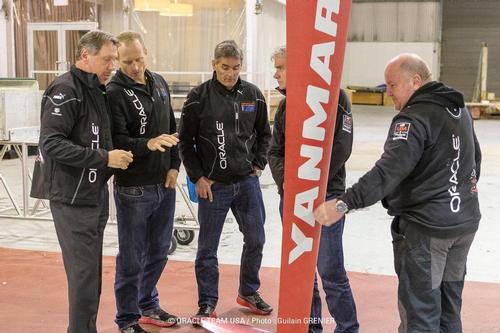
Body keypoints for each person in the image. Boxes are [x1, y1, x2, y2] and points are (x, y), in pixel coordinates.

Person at [314, 53, 482, 333]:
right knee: (449, 310)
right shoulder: (458, 109)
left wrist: (342, 204)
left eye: (392, 85)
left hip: (428, 231)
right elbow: (474, 160)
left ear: (415, 81)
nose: (387, 92)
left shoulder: (413, 118)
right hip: (463, 226)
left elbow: (388, 173)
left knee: (421, 314)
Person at [30, 30, 133, 333]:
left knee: (91, 279)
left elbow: (101, 137)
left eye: (114, 60)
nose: (112, 66)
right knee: (84, 279)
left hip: (93, 196)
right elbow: (51, 143)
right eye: (107, 60)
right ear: (85, 56)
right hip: (71, 199)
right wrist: (104, 158)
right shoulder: (65, 89)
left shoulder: (97, 90)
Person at [178, 40, 273, 323]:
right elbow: (185, 142)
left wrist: (258, 163)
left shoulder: (253, 95)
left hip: (246, 183)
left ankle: (248, 291)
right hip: (214, 186)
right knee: (207, 248)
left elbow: (265, 134)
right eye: (224, 67)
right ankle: (207, 303)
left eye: (235, 68)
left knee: (256, 238)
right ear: (214, 65)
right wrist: (197, 177)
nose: (230, 73)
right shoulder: (198, 97)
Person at [268, 46, 359, 333]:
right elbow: (275, 151)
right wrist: (288, 182)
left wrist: (309, 184)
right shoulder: (284, 106)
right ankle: (311, 328)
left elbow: (341, 148)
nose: (276, 73)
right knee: (302, 273)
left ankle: (347, 328)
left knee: (331, 272)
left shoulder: (335, 98)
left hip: (326, 200)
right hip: (292, 200)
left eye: (281, 68)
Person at [106, 32, 180, 333]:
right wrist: (146, 144)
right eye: (127, 62)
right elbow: (117, 140)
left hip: (165, 184)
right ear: (118, 61)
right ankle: (126, 319)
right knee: (132, 257)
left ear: (146, 52)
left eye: (139, 59)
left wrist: (175, 166)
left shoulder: (159, 82)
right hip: (133, 187)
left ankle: (147, 304)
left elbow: (172, 129)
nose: (135, 66)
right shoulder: (113, 92)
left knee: (160, 250)